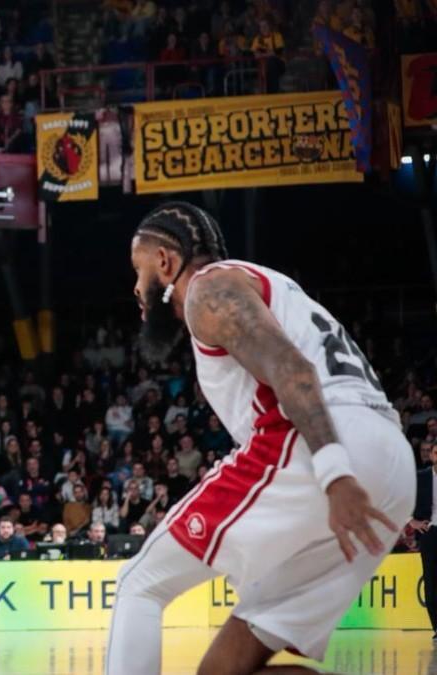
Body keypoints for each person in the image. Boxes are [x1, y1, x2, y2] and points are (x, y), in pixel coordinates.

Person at [106, 203, 414, 674]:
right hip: (391, 458)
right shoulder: (270, 286)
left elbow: (293, 369)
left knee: (140, 583)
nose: (135, 285)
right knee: (224, 671)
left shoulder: (209, 290)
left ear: (165, 262)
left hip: (324, 445)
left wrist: (336, 474)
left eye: (138, 268)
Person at [410, 442, 437, 639]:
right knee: (431, 580)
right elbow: (402, 498)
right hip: (431, 531)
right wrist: (411, 521)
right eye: (436, 452)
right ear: (432, 456)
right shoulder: (421, 477)